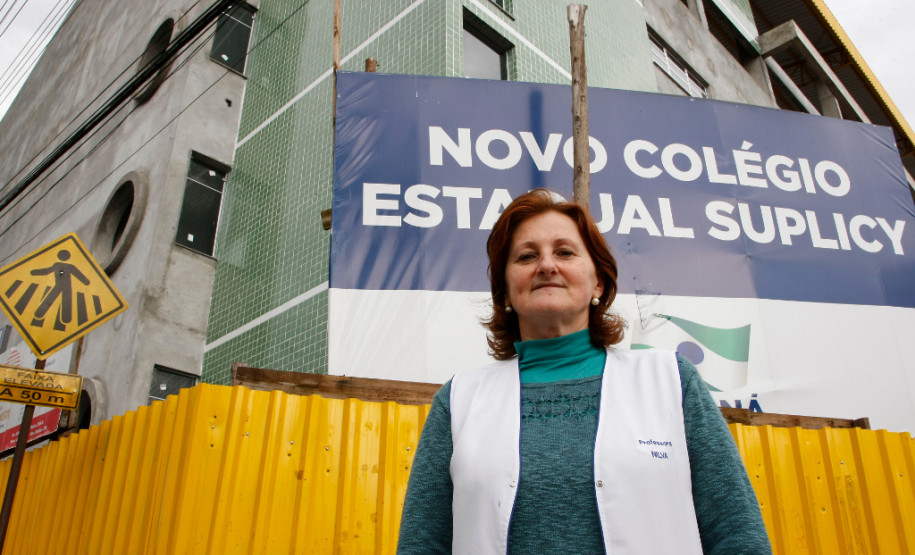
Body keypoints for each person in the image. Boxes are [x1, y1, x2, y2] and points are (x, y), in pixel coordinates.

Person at [397, 189, 772, 554]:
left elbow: (737, 533)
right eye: (527, 256)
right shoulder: (459, 400)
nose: (547, 265)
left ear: (599, 281)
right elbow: (421, 544)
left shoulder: (672, 381)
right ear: (506, 292)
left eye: (564, 252)